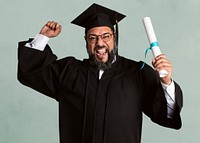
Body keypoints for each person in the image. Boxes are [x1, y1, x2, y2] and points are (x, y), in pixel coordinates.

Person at [17, 3, 183, 143]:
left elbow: (165, 114)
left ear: (114, 38)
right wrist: (43, 37)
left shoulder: (136, 73)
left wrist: (167, 82)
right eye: (93, 38)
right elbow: (31, 72)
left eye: (106, 36)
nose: (100, 43)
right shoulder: (70, 72)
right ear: (86, 41)